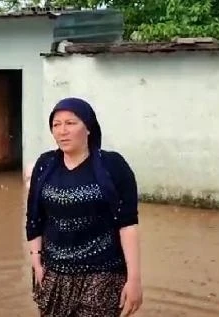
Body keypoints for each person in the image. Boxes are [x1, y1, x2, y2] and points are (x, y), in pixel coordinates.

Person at [25, 97, 143, 317]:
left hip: (103, 271)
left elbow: (127, 224)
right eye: (56, 125)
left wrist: (134, 279)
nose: (62, 131)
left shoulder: (113, 165)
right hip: (54, 273)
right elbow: (34, 217)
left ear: (88, 127)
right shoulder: (45, 165)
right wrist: (36, 262)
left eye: (71, 123)